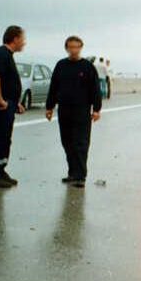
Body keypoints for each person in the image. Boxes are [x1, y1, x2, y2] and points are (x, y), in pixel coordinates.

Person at [45, 36, 102, 188]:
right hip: (64, 110)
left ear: (81, 48)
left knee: (81, 143)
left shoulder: (88, 67)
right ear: (67, 48)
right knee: (67, 142)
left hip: (82, 111)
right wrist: (49, 107)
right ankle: (72, 173)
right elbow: (54, 87)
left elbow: (95, 90)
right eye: (71, 47)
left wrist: (96, 109)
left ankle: (80, 176)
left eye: (77, 47)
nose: (74, 50)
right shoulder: (61, 65)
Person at [0, 26, 27, 188]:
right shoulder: (0, 54)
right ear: (15, 39)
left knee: (5, 139)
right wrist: (1, 100)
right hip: (2, 104)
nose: (24, 42)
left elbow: (9, 83)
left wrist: (16, 103)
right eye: (23, 39)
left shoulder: (8, 55)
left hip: (9, 103)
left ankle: (0, 170)